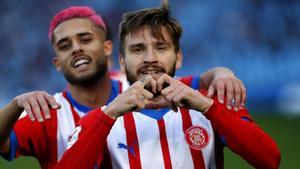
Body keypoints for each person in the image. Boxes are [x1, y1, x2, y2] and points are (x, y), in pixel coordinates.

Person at [0, 6, 247, 169]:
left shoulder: (139, 91)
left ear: (108, 49)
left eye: (85, 40)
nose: (76, 48)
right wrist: (15, 104)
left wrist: (222, 73)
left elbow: (192, 85)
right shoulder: (50, 112)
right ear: (56, 62)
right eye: (64, 45)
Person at [54, 2, 281, 169]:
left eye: (161, 47)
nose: (150, 58)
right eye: (138, 49)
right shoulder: (102, 118)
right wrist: (109, 115)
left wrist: (206, 106)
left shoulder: (208, 104)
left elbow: (269, 160)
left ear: (179, 57)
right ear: (122, 62)